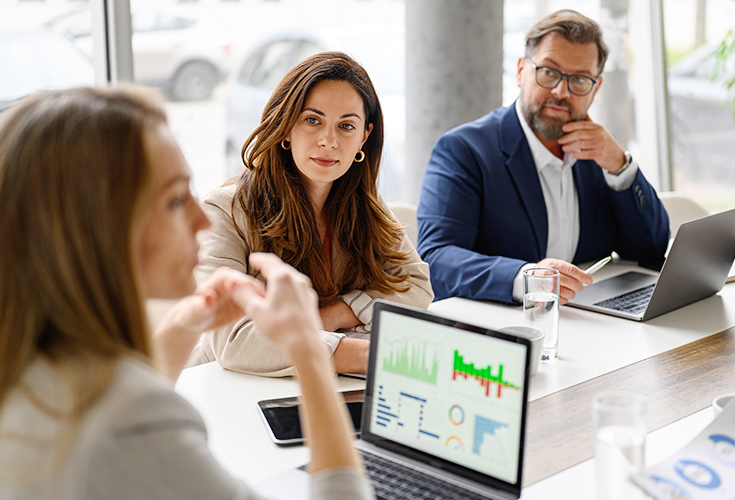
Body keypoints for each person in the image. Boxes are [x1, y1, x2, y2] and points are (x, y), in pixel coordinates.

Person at [0, 87, 372, 499]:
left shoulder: (35, 376)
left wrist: (183, 327)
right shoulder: (127, 420)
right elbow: (127, 418)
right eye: (177, 200)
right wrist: (307, 351)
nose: (202, 220)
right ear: (97, 229)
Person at [194, 51, 433, 377]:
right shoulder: (225, 210)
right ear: (286, 125)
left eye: (346, 126)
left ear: (364, 137)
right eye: (312, 120)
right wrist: (368, 354)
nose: (328, 141)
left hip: (328, 387)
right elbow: (233, 340)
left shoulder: (364, 203)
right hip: (236, 390)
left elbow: (417, 285)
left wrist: (338, 313)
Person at [417, 9, 670, 304]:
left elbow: (650, 249)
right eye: (549, 72)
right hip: (498, 329)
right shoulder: (464, 150)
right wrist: (527, 279)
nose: (561, 91)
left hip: (589, 321)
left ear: (596, 88)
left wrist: (620, 166)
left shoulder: (599, 153)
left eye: (579, 80)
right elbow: (436, 259)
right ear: (521, 71)